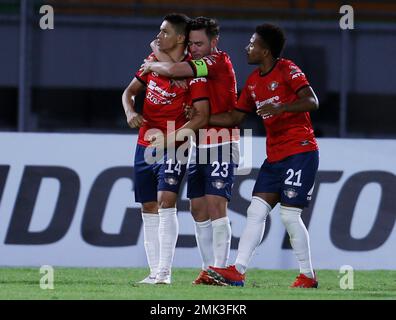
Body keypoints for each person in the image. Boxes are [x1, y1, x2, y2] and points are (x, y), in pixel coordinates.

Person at [204, 23, 320, 288]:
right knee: (255, 211)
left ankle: (307, 276)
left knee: (290, 216)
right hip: (275, 157)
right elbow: (235, 116)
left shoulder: (287, 69)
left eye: (253, 44)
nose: (248, 47)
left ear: (265, 51)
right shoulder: (254, 82)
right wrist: (203, 118)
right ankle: (238, 272)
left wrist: (282, 107)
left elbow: (312, 100)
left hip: (300, 151)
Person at [141, 17, 239, 285]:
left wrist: (152, 62)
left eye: (200, 43)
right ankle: (209, 270)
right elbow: (177, 70)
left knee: (216, 205)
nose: (195, 48)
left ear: (214, 42)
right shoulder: (200, 69)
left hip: (222, 141)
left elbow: (173, 71)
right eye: (192, 43)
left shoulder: (214, 62)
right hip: (200, 145)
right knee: (197, 208)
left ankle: (220, 270)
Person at [122, 13, 210, 285]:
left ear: (180, 37)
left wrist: (171, 138)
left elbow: (200, 115)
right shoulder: (151, 62)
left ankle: (164, 273)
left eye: (164, 32)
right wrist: (129, 112)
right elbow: (128, 92)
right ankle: (153, 272)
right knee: (148, 205)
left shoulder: (194, 68)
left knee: (166, 201)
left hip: (176, 143)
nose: (159, 36)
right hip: (145, 141)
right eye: (159, 32)